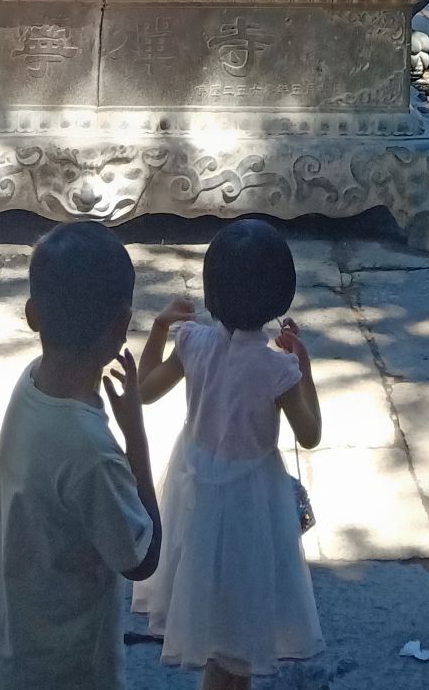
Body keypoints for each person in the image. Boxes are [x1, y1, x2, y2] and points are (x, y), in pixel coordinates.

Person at [133, 219, 324, 690]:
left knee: (202, 583)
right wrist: (304, 368)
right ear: (280, 293)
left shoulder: (192, 343)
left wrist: (159, 328)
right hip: (251, 499)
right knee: (243, 605)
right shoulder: (275, 368)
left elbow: (143, 390)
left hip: (194, 484)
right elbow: (311, 433)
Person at [0, 222, 162, 690]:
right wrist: (135, 435)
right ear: (121, 324)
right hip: (62, 668)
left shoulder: (30, 381)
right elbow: (141, 556)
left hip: (6, 646)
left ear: (33, 315)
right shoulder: (94, 456)